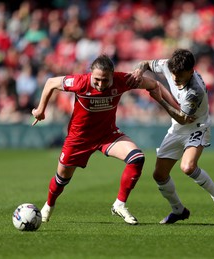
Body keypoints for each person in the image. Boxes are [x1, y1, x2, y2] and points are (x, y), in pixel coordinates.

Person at [32, 54, 168, 225]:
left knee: (137, 158)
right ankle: (49, 205)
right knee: (61, 180)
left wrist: (167, 103)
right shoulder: (80, 82)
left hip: (107, 135)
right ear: (90, 74)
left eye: (105, 80)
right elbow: (51, 82)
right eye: (97, 79)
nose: (101, 84)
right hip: (79, 139)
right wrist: (40, 110)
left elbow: (152, 84)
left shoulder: (122, 80)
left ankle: (119, 204)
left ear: (113, 74)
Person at [127, 49, 214, 224]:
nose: (175, 79)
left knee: (188, 167)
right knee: (159, 175)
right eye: (174, 74)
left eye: (180, 75)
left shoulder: (195, 91)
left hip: (197, 126)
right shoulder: (169, 65)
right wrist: (139, 69)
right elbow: (145, 63)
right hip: (177, 128)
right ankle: (178, 210)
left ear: (191, 71)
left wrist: (160, 99)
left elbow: (183, 119)